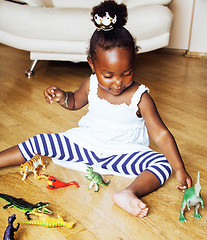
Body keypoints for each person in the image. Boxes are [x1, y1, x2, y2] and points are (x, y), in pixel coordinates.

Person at [0, 0, 192, 217]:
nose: (118, 82)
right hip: (86, 144)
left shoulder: (140, 97)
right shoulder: (90, 84)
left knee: (162, 163)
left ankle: (129, 193)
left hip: (123, 153)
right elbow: (74, 102)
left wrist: (179, 169)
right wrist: (63, 97)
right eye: (108, 75)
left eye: (127, 73)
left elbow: (160, 133)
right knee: (42, 141)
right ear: (92, 64)